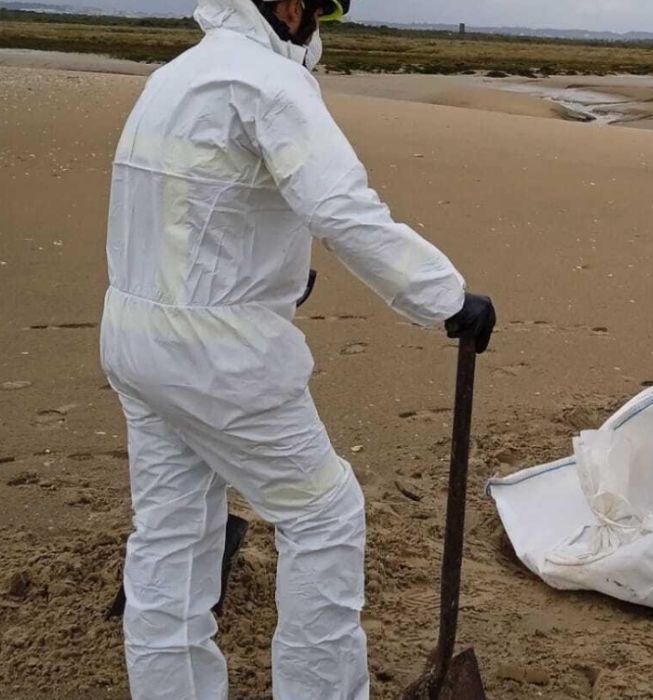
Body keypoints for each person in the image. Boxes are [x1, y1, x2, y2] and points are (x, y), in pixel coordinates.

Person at [99, 1, 495, 697]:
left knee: (171, 538)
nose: (315, 26)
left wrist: (274, 270)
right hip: (218, 356)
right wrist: (447, 298)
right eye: (315, 10)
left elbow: (193, 208)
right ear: (285, 8)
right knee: (322, 515)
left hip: (135, 338)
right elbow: (342, 209)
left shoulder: (176, 77)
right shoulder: (271, 85)